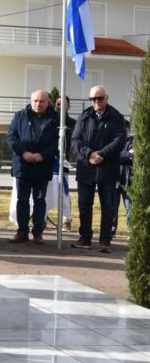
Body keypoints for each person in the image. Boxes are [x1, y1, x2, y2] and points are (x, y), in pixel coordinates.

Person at [70, 85, 125, 253]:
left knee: (108, 206)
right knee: (84, 205)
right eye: (93, 99)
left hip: (107, 169)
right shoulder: (84, 116)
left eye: (99, 98)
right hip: (86, 168)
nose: (96, 102)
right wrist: (89, 154)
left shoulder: (116, 117)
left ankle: (105, 241)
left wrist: (101, 154)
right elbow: (75, 140)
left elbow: (119, 140)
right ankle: (85, 238)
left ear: (107, 98)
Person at [6, 90, 58, 244]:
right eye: (35, 100)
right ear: (31, 100)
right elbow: (11, 137)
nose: (38, 104)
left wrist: (43, 155)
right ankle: (22, 231)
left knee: (40, 200)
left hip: (43, 165)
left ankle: (37, 232)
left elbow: (58, 142)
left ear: (48, 102)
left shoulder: (55, 119)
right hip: (23, 165)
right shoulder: (20, 116)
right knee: (22, 199)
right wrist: (24, 153)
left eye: (42, 101)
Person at [54, 96, 76, 231]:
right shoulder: (50, 120)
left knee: (64, 192)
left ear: (68, 106)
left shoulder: (73, 123)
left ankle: (66, 220)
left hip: (63, 162)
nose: (60, 106)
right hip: (47, 162)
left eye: (64, 104)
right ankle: (42, 219)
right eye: (58, 104)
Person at [118, 119, 134, 235]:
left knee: (129, 208)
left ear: (128, 130)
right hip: (115, 178)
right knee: (111, 208)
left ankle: (131, 230)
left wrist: (119, 155)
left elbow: (133, 156)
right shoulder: (115, 141)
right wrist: (126, 154)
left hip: (128, 180)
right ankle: (111, 231)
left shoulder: (134, 141)